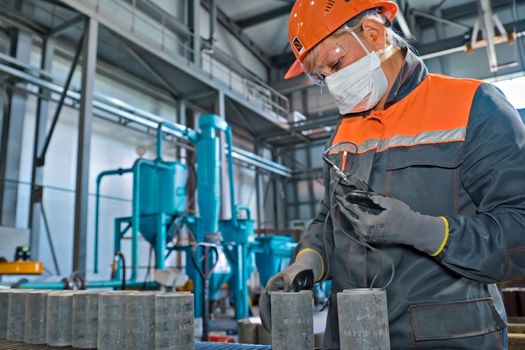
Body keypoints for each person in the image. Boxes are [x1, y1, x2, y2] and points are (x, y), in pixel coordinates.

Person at [259, 0, 525, 348]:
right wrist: (307, 261)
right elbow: (329, 219)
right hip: (353, 338)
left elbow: (519, 230)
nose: (334, 84)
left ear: (372, 33)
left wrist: (423, 231)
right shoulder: (344, 134)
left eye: (336, 64)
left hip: (446, 338)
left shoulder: (473, 106)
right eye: (322, 77)